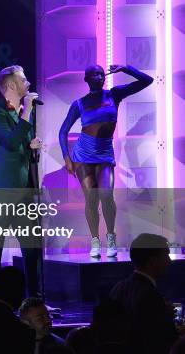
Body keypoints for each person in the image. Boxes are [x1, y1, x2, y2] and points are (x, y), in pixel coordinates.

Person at [59, 65, 153, 258]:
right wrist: (66, 157)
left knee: (106, 196)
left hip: (104, 154)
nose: (100, 76)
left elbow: (146, 81)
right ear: (86, 79)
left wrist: (125, 68)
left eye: (102, 73)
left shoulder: (114, 95)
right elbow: (63, 131)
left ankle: (111, 237)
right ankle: (95, 241)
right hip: (83, 156)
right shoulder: (79, 104)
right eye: (95, 73)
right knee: (91, 199)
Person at [0, 65, 42, 297]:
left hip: (24, 186)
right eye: (23, 80)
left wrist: (31, 146)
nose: (28, 83)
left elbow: (21, 144)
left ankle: (34, 295)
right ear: (10, 86)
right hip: (1, 187)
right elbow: (9, 142)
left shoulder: (24, 111)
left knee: (31, 244)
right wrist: (26, 112)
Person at [109, 233, 180, 354]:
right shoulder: (150, 295)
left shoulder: (118, 287)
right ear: (153, 261)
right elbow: (159, 341)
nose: (169, 261)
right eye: (166, 255)